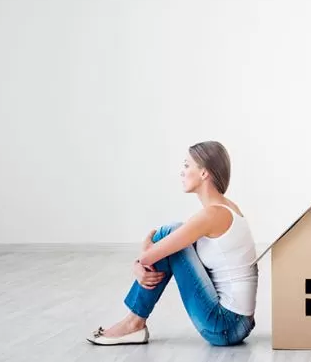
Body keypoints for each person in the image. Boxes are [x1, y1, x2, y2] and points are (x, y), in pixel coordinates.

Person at [87, 141, 258, 346]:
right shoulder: (225, 208)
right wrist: (143, 260)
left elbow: (150, 256)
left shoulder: (213, 214)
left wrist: (142, 254)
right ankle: (134, 323)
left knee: (169, 231)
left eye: (187, 165)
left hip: (225, 326)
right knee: (171, 236)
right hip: (239, 323)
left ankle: (133, 323)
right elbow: (167, 251)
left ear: (204, 173)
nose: (181, 172)